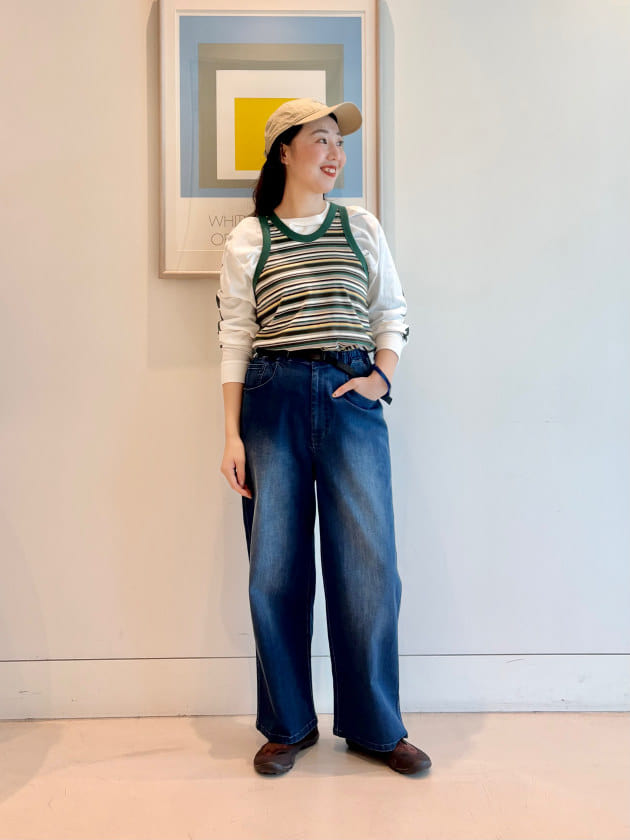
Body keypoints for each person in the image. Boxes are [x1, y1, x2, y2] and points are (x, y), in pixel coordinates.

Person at [217, 98, 431, 776]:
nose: (335, 154)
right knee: (274, 568)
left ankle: (374, 727)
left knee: (369, 566)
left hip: (350, 396)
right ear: (284, 151)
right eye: (321, 140)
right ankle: (288, 725)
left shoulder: (359, 226)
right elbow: (235, 336)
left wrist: (380, 377)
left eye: (339, 142)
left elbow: (390, 311)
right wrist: (231, 435)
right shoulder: (248, 239)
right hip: (271, 398)